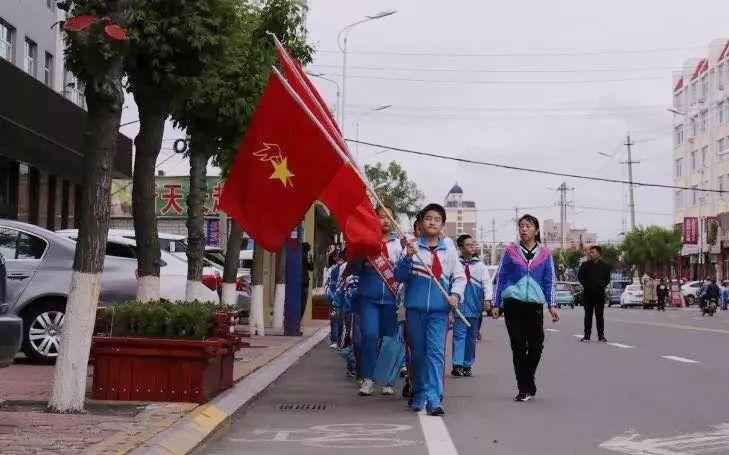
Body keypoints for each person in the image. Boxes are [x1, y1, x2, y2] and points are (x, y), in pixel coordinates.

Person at [396, 203, 466, 416]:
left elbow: (460, 277)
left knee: (435, 353)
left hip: (439, 312)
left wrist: (455, 295)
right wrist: (407, 257)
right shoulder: (411, 247)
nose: (432, 222)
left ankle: (434, 398)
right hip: (415, 311)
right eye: (428, 218)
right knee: (417, 354)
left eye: (437, 219)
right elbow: (398, 276)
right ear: (420, 223)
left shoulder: (449, 251)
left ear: (443, 225)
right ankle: (418, 392)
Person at [493, 214, 558, 402]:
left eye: (528, 226)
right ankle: (523, 388)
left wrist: (552, 304)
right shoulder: (511, 251)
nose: (523, 229)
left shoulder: (545, 254)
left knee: (536, 346)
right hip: (513, 303)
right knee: (518, 346)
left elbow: (549, 280)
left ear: (536, 230)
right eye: (521, 226)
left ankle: (528, 378)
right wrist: (496, 303)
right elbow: (501, 277)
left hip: (534, 304)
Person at [353, 205, 403, 397]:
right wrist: (360, 259)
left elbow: (403, 273)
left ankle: (388, 381)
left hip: (392, 299)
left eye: (389, 217)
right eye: (382, 217)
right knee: (371, 336)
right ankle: (368, 378)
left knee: (390, 340)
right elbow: (354, 269)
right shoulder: (367, 243)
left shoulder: (399, 245)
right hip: (369, 298)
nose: (386, 221)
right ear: (374, 218)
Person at [452, 234, 492, 377]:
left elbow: (487, 283)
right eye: (468, 245)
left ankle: (467, 364)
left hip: (475, 307)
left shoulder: (480, 265)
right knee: (459, 335)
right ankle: (457, 364)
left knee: (471, 338)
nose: (472, 247)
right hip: (459, 307)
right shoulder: (456, 264)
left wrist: (488, 299)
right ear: (460, 247)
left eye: (473, 244)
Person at [577, 245, 611, 342]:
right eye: (590, 252)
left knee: (599, 316)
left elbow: (607, 279)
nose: (591, 254)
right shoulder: (585, 265)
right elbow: (580, 277)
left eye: (593, 252)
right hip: (588, 294)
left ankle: (601, 336)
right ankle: (587, 335)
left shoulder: (605, 266)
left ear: (599, 254)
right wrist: (586, 284)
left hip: (599, 294)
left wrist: (601, 285)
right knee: (588, 315)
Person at [325, 252, 345, 348]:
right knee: (335, 319)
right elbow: (328, 285)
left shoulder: (347, 268)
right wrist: (331, 297)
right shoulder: (332, 270)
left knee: (341, 320)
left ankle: (340, 340)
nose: (340, 262)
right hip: (334, 298)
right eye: (339, 259)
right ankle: (334, 340)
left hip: (344, 299)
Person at [300, 242, 314, 323]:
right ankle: (298, 319)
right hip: (304, 281)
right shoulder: (305, 256)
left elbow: (311, 268)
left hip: (303, 281)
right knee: (303, 302)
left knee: (302, 302)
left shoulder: (303, 255)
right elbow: (311, 268)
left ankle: (298, 320)